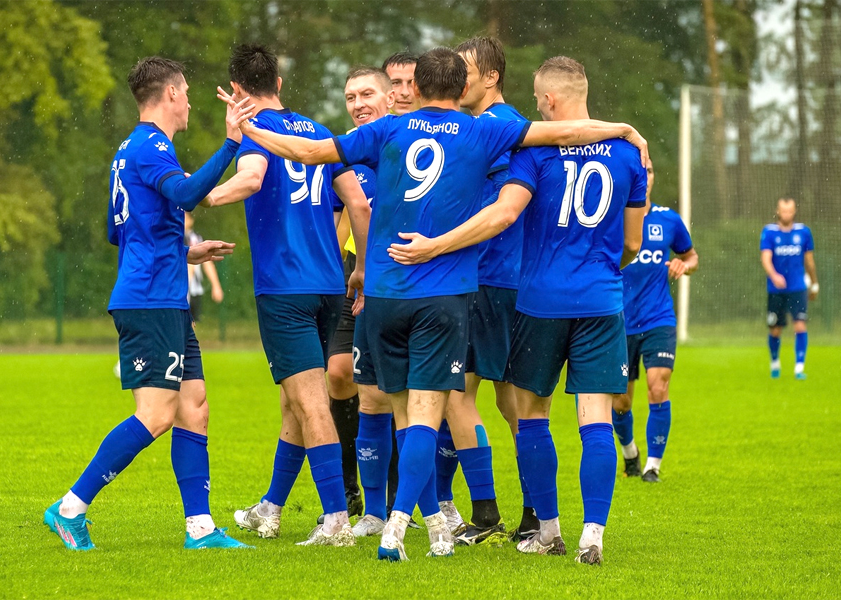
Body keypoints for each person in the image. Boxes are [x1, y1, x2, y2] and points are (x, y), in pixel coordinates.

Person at [224, 47, 648, 562]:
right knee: (434, 414)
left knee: (398, 410)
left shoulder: (387, 130)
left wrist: (250, 129)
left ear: (415, 89)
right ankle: (416, 525)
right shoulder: (485, 131)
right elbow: (566, 133)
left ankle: (404, 519)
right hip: (452, 295)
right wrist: (623, 128)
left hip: (386, 293)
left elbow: (311, 153)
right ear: (460, 87)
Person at [387, 55, 648, 566]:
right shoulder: (628, 153)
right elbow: (633, 244)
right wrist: (597, 268)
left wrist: (436, 245)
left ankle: (547, 530)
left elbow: (504, 214)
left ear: (548, 100)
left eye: (536, 97)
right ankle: (592, 536)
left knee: (531, 415)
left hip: (540, 300)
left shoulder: (534, 153)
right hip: (601, 300)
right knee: (594, 417)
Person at [44, 56, 246, 551]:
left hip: (164, 295)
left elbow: (122, 231)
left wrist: (186, 252)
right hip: (150, 299)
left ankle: (200, 529)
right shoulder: (152, 145)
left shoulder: (128, 149)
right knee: (157, 414)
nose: (190, 102)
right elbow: (187, 194)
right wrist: (231, 144)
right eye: (187, 92)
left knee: (194, 407)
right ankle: (70, 508)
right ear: (171, 93)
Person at [204, 44, 371, 547]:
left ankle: (336, 520)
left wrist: (201, 195)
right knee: (296, 401)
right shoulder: (318, 131)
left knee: (311, 404)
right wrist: (361, 268)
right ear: (278, 82)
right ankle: (271, 509)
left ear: (237, 89)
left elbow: (252, 178)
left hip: (285, 289)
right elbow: (359, 203)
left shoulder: (257, 130)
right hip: (328, 286)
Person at [430, 36, 531, 546]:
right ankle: (534, 514)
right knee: (512, 402)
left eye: (465, 71)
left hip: (487, 277)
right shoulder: (509, 125)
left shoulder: (491, 125)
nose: (458, 80)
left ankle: (488, 512)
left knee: (458, 394)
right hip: (511, 279)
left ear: (491, 77)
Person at [325, 66, 401, 537]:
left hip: (396, 281)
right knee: (338, 373)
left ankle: (392, 497)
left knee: (385, 391)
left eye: (366, 94)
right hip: (353, 280)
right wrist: (333, 274)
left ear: (389, 98)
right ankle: (350, 487)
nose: (358, 104)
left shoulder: (404, 146)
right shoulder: (346, 152)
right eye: (350, 96)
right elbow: (342, 221)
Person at [612, 162, 698, 484]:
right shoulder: (613, 217)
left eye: (649, 170)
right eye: (640, 170)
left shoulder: (668, 219)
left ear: (653, 177)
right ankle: (630, 452)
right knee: (621, 402)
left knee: (658, 386)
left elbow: (691, 256)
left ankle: (652, 466)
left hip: (658, 318)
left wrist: (683, 265)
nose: (645, 175)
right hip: (619, 321)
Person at [760, 198, 818, 380]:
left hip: (797, 288)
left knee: (800, 324)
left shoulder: (803, 232)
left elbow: (809, 261)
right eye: (783, 210)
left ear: (794, 211)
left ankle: (799, 368)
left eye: (789, 210)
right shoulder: (769, 232)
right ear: (778, 211)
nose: (786, 214)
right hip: (776, 290)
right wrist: (774, 275)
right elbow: (765, 258)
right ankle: (775, 362)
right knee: (775, 329)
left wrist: (814, 283)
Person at [185, 212, 225, 323]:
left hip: (193, 288)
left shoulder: (195, 239)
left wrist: (216, 285)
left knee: (191, 323)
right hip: (178, 287)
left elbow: (207, 262)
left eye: (185, 217)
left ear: (191, 221)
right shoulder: (173, 237)